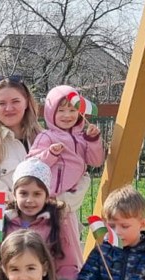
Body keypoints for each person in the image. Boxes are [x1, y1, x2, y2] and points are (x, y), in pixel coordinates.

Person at [27, 84, 105, 216]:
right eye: (61, 110)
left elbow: (96, 161)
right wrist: (51, 153)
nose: (67, 115)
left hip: (72, 199)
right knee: (50, 227)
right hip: (50, 198)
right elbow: (31, 164)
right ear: (51, 112)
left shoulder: (82, 138)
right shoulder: (47, 136)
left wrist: (93, 140)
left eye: (72, 110)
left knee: (70, 227)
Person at [2, 157, 83, 280]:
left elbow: (67, 264)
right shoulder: (4, 221)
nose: (29, 200)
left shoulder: (57, 221)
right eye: (23, 193)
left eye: (37, 194)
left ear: (46, 196)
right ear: (14, 195)